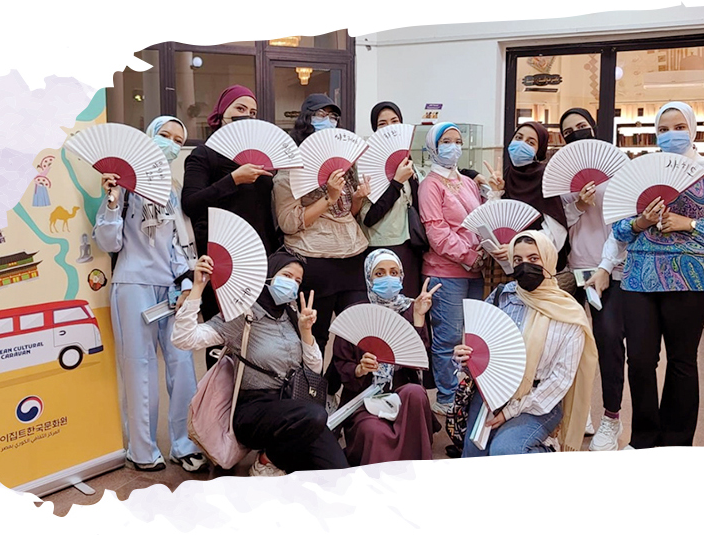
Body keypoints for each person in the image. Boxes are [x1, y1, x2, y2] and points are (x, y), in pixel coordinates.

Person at [611, 101, 704, 449]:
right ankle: (644, 440)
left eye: (678, 127)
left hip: (694, 278)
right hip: (639, 277)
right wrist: (641, 222)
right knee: (638, 360)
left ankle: (677, 444)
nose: (670, 135)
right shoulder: (640, 172)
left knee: (682, 360)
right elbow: (619, 231)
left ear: (694, 129)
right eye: (663, 130)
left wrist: (690, 223)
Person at [93, 115, 207, 473]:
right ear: (148, 137)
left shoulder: (171, 189)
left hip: (170, 291)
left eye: (178, 138)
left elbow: (178, 243)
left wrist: (185, 283)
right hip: (133, 285)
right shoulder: (123, 184)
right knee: (139, 367)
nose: (171, 142)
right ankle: (141, 450)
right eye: (164, 134)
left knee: (182, 365)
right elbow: (109, 241)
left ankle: (184, 444)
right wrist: (111, 201)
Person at [171, 250, 350, 476]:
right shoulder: (243, 314)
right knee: (315, 415)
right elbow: (184, 338)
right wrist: (197, 288)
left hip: (293, 407)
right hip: (254, 410)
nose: (292, 285)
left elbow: (313, 370)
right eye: (287, 276)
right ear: (269, 276)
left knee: (338, 469)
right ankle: (267, 461)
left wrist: (306, 331)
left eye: (298, 281)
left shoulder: (292, 315)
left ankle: (282, 457)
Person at [455, 231, 598, 456]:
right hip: (493, 394)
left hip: (539, 402)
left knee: (506, 450)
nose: (525, 266)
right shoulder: (502, 296)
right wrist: (464, 358)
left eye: (533, 259)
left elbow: (560, 380)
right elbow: (481, 352)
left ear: (549, 259)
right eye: (518, 260)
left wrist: (511, 411)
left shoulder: (568, 313)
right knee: (474, 458)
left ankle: (546, 453)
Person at [273, 93, 371, 402]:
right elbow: (289, 222)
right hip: (315, 261)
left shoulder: (343, 165)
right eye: (320, 115)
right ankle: (310, 398)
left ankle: (341, 393)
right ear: (305, 120)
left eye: (332, 116)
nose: (327, 121)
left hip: (353, 258)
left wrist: (355, 198)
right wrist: (327, 196)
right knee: (316, 335)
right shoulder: (291, 168)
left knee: (356, 333)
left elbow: (345, 214)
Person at [181, 85, 281, 369]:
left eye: (253, 112)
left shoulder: (262, 160)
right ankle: (217, 407)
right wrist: (233, 179)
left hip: (259, 258)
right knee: (220, 337)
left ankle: (253, 406)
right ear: (220, 114)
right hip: (221, 260)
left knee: (260, 335)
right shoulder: (204, 155)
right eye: (239, 109)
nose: (246, 115)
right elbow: (191, 203)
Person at [556, 108, 628, 451]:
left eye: (582, 127)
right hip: (575, 267)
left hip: (611, 270)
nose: (576, 134)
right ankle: (577, 409)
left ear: (595, 129)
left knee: (610, 341)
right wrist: (577, 205)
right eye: (569, 131)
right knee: (567, 342)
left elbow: (626, 226)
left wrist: (606, 265)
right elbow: (560, 227)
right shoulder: (563, 179)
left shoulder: (619, 170)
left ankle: (611, 419)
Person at [331, 249, 440, 465]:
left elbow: (418, 357)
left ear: (401, 276)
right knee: (374, 432)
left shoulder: (411, 308)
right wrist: (360, 369)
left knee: (416, 392)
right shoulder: (356, 314)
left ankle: (417, 468)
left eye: (393, 272)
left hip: (401, 393)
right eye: (379, 274)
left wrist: (418, 316)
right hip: (364, 397)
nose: (388, 278)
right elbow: (341, 362)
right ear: (368, 278)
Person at [417, 122, 492, 416]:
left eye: (457, 141)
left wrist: (489, 195)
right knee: (447, 337)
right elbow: (436, 232)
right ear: (434, 147)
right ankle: (446, 395)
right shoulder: (430, 185)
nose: (453, 146)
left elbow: (479, 219)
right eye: (446, 141)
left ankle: (467, 390)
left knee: (472, 335)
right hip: (445, 271)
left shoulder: (468, 182)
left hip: (475, 270)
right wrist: (467, 255)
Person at [357, 102, 422, 298]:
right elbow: (368, 217)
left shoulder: (407, 161)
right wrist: (396, 182)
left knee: (409, 303)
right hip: (381, 245)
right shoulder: (367, 165)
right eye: (382, 124)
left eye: (395, 121)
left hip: (410, 245)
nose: (390, 127)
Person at [485, 121, 570, 272]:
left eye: (531, 142)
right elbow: (496, 220)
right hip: (505, 264)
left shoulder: (545, 177)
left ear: (539, 150)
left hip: (536, 265)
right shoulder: (507, 174)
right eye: (518, 138)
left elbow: (556, 230)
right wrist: (496, 192)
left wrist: (516, 247)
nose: (521, 145)